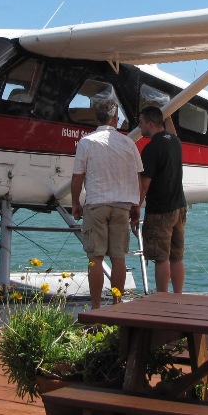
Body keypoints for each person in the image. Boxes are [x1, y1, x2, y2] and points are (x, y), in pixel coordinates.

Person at [70, 98, 143, 309]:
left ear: (97, 118)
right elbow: (137, 176)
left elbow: (77, 177)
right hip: (122, 205)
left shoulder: (86, 142)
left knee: (96, 257)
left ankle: (96, 308)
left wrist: (75, 203)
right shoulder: (128, 143)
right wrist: (136, 205)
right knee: (118, 257)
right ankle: (117, 305)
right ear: (114, 119)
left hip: (97, 203)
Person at [136, 106, 186, 293]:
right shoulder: (175, 142)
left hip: (160, 210)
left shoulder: (151, 148)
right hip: (179, 206)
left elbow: (144, 184)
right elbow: (172, 132)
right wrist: (168, 112)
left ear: (151, 124)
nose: (139, 127)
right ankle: (178, 296)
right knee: (177, 257)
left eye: (141, 123)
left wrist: (136, 208)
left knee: (161, 257)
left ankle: (162, 298)